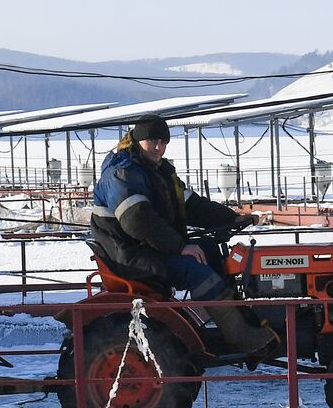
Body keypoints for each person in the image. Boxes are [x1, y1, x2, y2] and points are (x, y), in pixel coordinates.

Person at [91, 114, 276, 355]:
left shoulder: (157, 171)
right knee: (193, 265)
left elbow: (192, 206)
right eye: (152, 141)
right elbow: (138, 220)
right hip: (129, 255)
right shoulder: (122, 173)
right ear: (137, 140)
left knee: (208, 249)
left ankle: (242, 320)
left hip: (146, 248)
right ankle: (238, 335)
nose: (158, 147)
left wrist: (231, 218)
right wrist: (179, 247)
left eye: (163, 141)